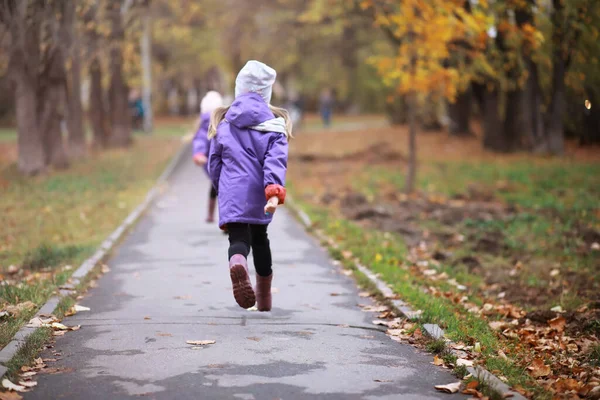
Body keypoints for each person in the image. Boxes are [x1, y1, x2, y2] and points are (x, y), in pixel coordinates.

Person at [208, 60, 292, 312]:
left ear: (239, 89)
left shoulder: (224, 124)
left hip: (232, 191)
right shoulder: (274, 127)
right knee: (260, 239)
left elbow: (215, 163)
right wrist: (273, 193)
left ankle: (237, 261)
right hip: (259, 194)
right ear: (267, 94)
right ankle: (264, 301)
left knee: (238, 237)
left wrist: (221, 188)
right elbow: (275, 162)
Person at [192, 91, 224, 223]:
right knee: (221, 191)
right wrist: (199, 154)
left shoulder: (222, 125)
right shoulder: (210, 126)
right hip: (218, 164)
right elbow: (200, 141)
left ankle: (216, 216)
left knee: (218, 189)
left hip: (218, 164)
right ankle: (222, 218)